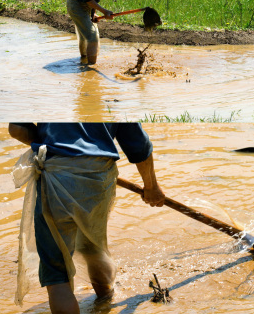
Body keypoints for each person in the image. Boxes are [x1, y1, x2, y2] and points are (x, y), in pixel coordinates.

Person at [9, 123, 164, 314]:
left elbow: (16, 129)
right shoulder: (114, 92)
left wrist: (48, 140)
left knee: (58, 273)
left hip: (56, 171)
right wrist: (151, 186)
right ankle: (105, 304)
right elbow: (139, 145)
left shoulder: (45, 92)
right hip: (99, 175)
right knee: (94, 247)